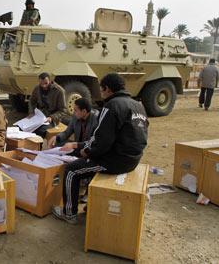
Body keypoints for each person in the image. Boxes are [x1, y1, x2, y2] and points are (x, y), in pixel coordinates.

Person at [52, 73, 148, 224]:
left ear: (107, 89)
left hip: (115, 161)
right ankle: (90, 202)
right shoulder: (138, 105)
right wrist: (79, 146)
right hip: (133, 159)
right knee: (81, 158)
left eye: (102, 90)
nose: (101, 93)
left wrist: (87, 151)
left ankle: (68, 213)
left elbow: (102, 140)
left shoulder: (112, 106)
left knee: (71, 170)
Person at [28, 72, 68, 137]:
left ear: (50, 81)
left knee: (40, 131)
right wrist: (31, 112)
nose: (44, 86)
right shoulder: (37, 88)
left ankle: (39, 145)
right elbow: (31, 101)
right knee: (24, 127)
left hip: (52, 119)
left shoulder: (59, 91)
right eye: (41, 84)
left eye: (46, 83)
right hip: (40, 116)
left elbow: (63, 110)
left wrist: (51, 117)